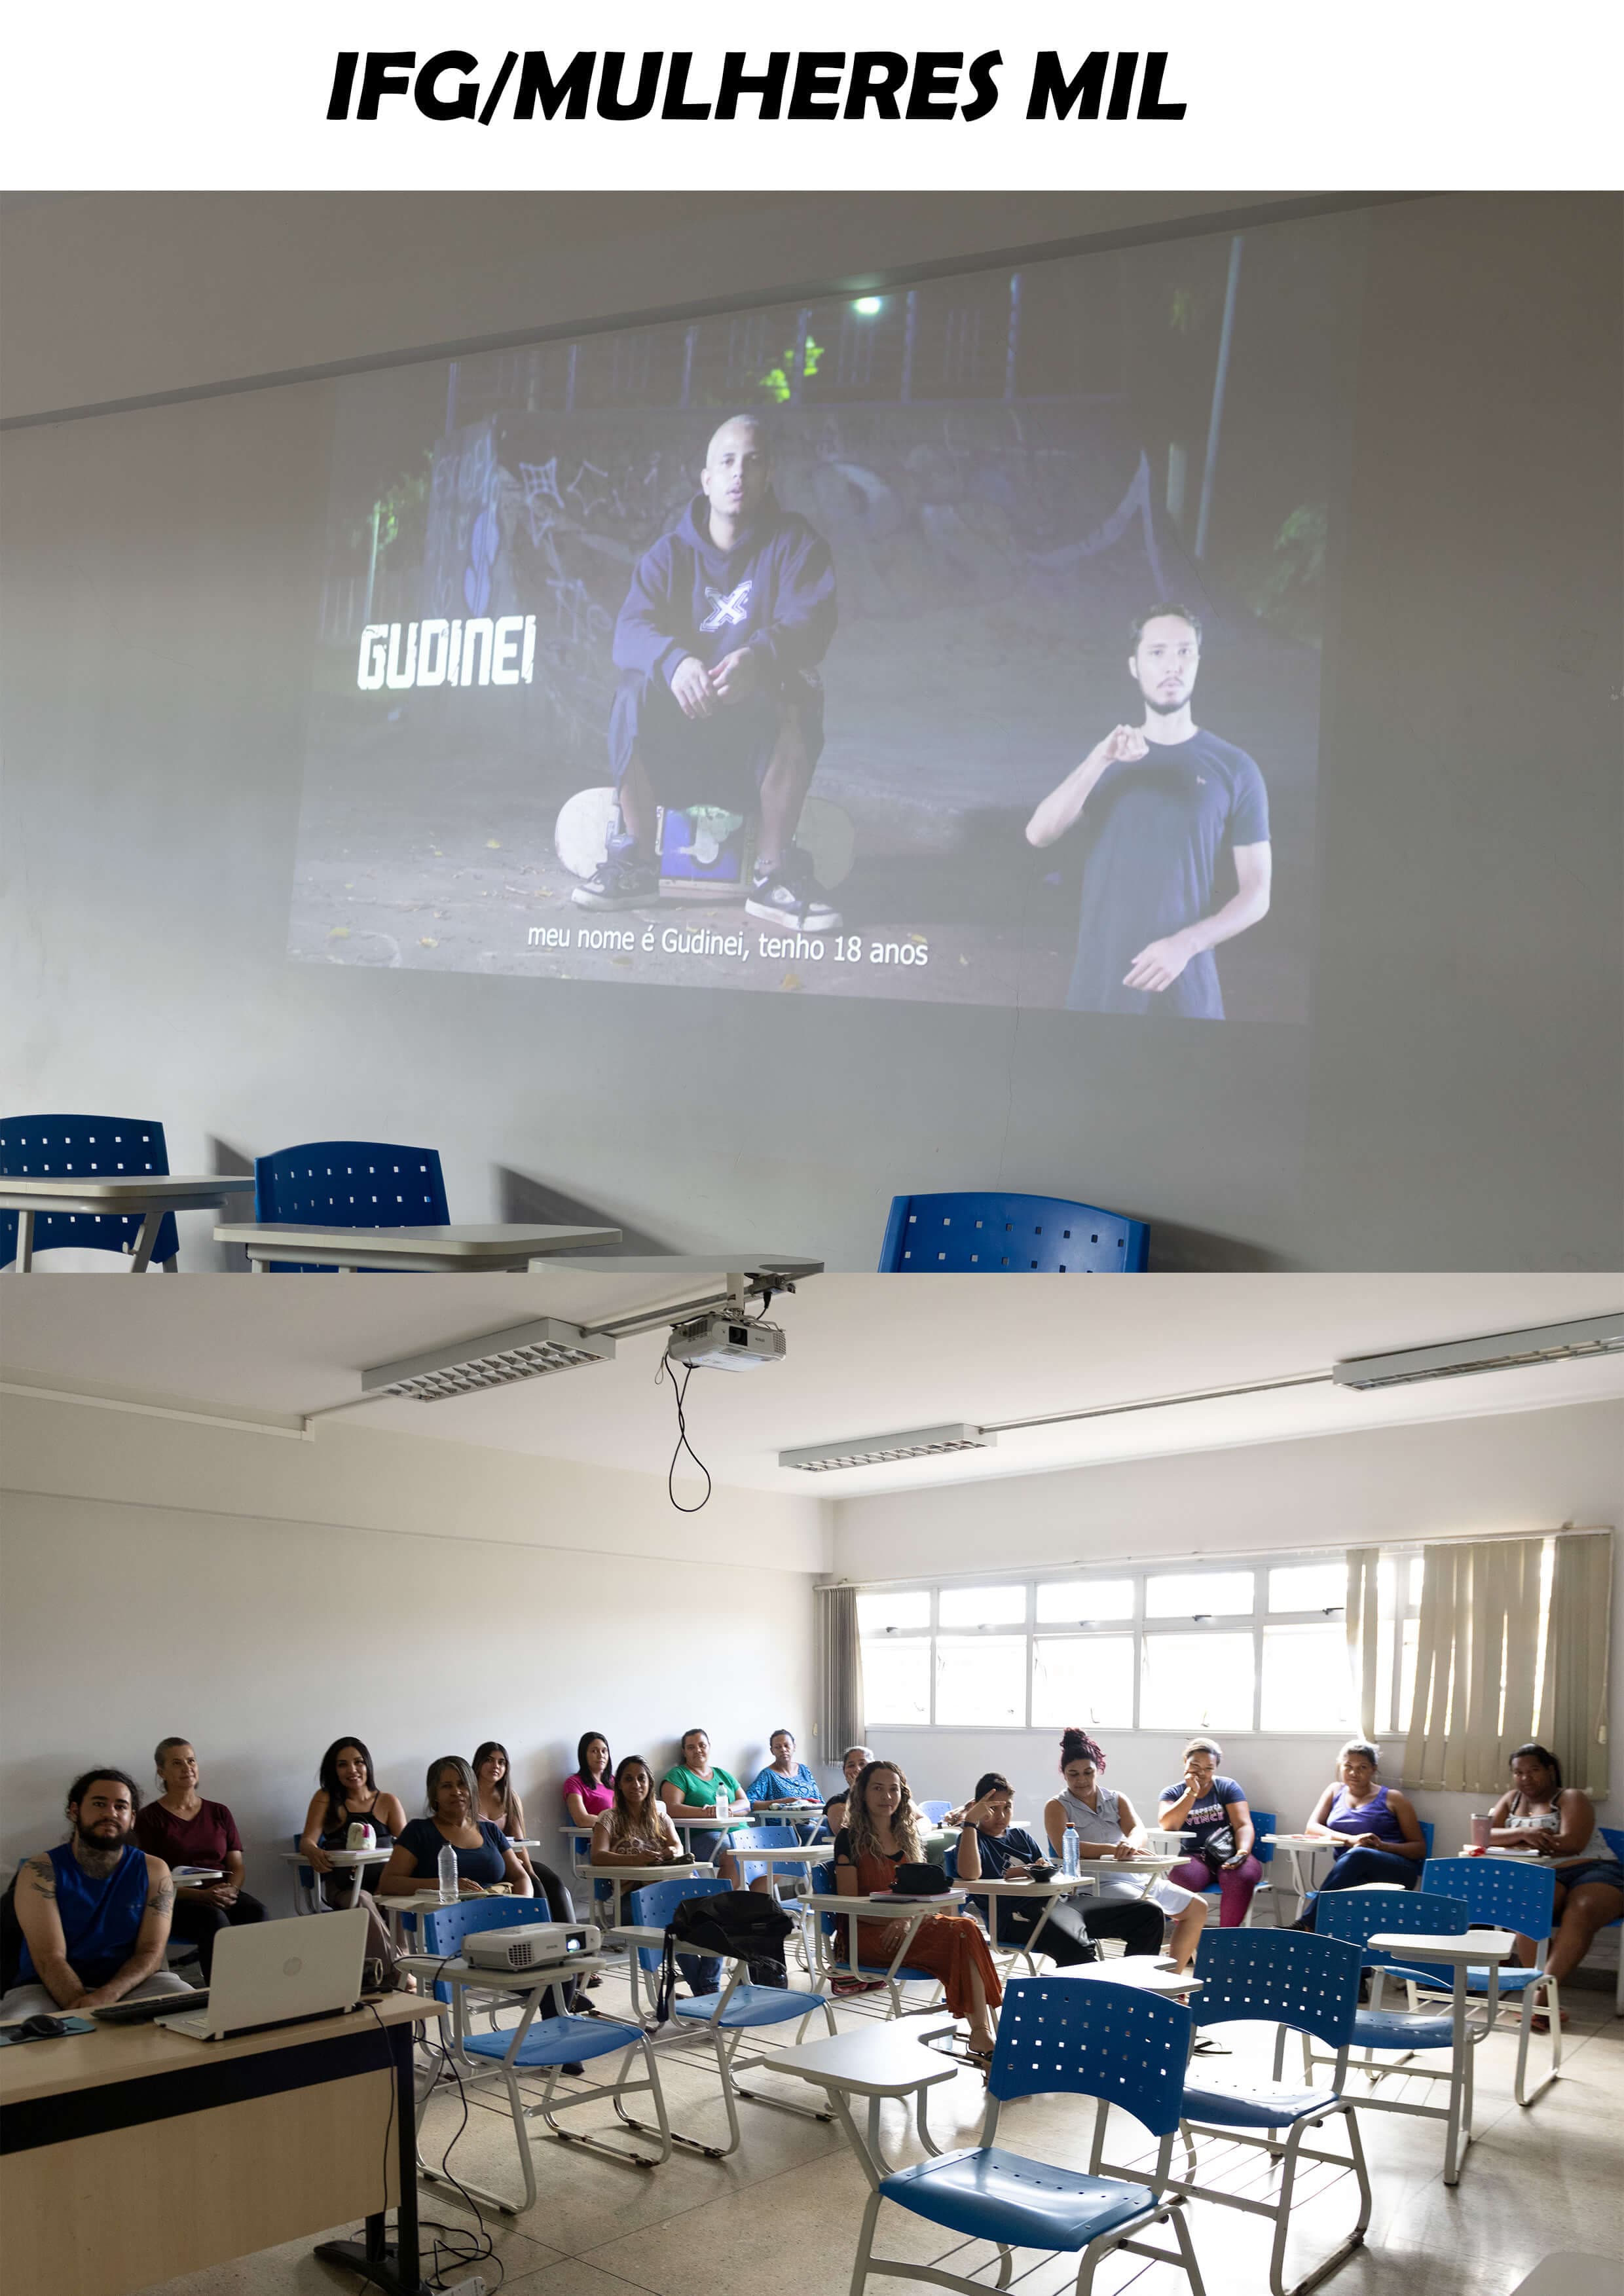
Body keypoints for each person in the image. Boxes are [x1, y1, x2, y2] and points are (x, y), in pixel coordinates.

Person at [576, 413, 842, 932]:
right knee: (632, 690)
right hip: (679, 748)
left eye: (753, 461)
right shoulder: (669, 554)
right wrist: (675, 663)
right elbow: (628, 630)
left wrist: (760, 660)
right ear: (707, 479)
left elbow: (812, 624)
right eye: (727, 461)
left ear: (769, 475)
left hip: (752, 755)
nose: (739, 472)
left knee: (802, 686)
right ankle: (635, 863)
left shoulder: (797, 545)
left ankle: (774, 875)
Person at [1025, 602, 1272, 1019]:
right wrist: (1099, 761)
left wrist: (1186, 944)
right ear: (1135, 666)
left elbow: (1257, 893)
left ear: (1198, 661)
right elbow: (1039, 834)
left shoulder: (1235, 767)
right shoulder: (1109, 756)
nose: (1171, 665)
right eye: (1156, 653)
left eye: (1183, 651)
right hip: (1101, 988)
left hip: (1186, 990)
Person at [834, 1759, 1003, 2058]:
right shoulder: (848, 1838)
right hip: (867, 1935)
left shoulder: (907, 1834)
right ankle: (984, 2035)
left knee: (965, 1928)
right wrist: (900, 1917)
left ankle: (982, 2036)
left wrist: (908, 1918)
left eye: (893, 1790)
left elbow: (920, 1894)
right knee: (964, 1932)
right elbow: (850, 1905)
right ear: (862, 1793)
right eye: (878, 1789)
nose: (887, 1797)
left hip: (908, 1928)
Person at [3, 1769, 193, 2018]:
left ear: (132, 1818)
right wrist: (86, 2010)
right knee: (17, 2038)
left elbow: (151, 1951)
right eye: (99, 1803)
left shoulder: (155, 1870)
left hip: (130, 1984)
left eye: (121, 1806)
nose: (110, 1813)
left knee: (194, 2012)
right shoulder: (40, 1871)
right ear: (74, 1811)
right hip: (45, 1988)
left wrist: (108, 1996)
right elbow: (50, 1958)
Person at [1043, 1728, 1206, 1970]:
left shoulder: (1116, 1798)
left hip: (1136, 1876)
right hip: (1099, 1884)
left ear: (1098, 1769)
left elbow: (1138, 1830)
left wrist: (1130, 1843)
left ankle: (1172, 1977)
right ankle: (1136, 1984)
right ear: (1063, 1775)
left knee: (1197, 1908)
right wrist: (1112, 1849)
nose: (1081, 1780)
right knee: (1151, 1909)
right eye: (1073, 1774)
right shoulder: (1057, 1806)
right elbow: (1065, 1848)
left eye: (1088, 1772)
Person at [1486, 1741, 1624, 2006]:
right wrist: (1524, 1833)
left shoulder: (1570, 1797)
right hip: (1543, 1876)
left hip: (1594, 1869)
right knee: (1525, 1908)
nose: (1525, 1778)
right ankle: (1541, 1995)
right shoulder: (1510, 1799)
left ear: (1550, 1770)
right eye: (1518, 1773)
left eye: (1534, 1770)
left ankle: (1540, 1998)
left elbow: (1573, 1843)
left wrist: (1510, 1840)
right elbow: (1484, 1836)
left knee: (1582, 1908)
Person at [134, 1738, 267, 1981]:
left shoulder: (219, 1812)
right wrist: (203, 1896)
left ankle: (262, 1984)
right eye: (177, 1763)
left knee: (258, 1912)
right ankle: (222, 1993)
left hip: (221, 1894)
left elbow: (236, 1865)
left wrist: (231, 1890)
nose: (187, 1768)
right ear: (161, 1771)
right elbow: (151, 1881)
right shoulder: (149, 1818)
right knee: (213, 1918)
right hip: (176, 1900)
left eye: (191, 1760)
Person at [591, 1755, 715, 1997]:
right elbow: (598, 1855)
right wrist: (633, 1860)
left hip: (670, 1889)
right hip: (633, 1899)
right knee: (677, 1923)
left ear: (649, 1784)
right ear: (619, 1785)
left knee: (714, 1915)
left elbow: (678, 1847)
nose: (635, 1784)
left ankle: (707, 1987)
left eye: (641, 1779)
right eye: (628, 1779)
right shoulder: (609, 1818)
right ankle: (707, 1992)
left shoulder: (660, 1817)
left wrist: (672, 1850)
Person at [952, 1772, 1099, 1968]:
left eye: (1007, 1807)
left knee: (1146, 1914)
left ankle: (1138, 1991)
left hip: (1054, 1905)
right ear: (980, 1808)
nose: (1001, 1816)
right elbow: (970, 1875)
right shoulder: (972, 1839)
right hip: (1014, 1918)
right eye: (994, 1809)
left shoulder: (1020, 1835)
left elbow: (1048, 1867)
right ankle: (1086, 1995)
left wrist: (1039, 1868)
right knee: (1075, 1943)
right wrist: (970, 1822)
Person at [1295, 1739, 1426, 1925]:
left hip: (1397, 1870)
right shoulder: (1335, 1791)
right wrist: (1351, 1840)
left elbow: (1419, 1848)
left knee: (1360, 1854)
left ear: (1374, 1769)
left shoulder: (1393, 1798)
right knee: (1357, 1855)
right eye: (1348, 1766)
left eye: (1362, 1767)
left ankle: (1307, 1923)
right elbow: (1312, 1827)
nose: (1353, 1773)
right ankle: (1320, 1933)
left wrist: (1382, 1846)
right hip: (1352, 1872)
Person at [377, 1757, 534, 1899]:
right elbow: (389, 1883)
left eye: (462, 1784)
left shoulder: (490, 1831)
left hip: (500, 1918)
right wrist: (446, 1885)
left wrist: (523, 1906)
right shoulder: (418, 1831)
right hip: (442, 1921)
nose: (456, 1792)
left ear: (472, 1789)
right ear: (435, 1794)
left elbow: (520, 1877)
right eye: (446, 1786)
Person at [1158, 1737, 1263, 1927]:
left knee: (1242, 1877)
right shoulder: (1172, 1793)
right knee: (1179, 1881)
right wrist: (1191, 1792)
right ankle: (1189, 1944)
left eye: (1209, 1768)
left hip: (1231, 1854)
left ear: (1216, 1769)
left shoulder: (1227, 1787)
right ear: (1185, 1762)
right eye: (1196, 1765)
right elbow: (1169, 1825)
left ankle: (1225, 1941)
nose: (1202, 1772)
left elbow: (1243, 1825)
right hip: (1195, 1856)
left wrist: (1242, 1853)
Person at [472, 1741, 578, 1922]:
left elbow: (520, 1842)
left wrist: (528, 1869)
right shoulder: (467, 1797)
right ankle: (541, 1935)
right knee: (535, 1887)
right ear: (479, 1763)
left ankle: (570, 1938)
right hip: (484, 1864)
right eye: (489, 1760)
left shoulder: (510, 1797)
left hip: (510, 1860)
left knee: (552, 1882)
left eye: (502, 1762)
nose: (496, 1766)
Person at [297, 1737, 407, 1906]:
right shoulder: (325, 1798)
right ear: (334, 1770)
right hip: (344, 1888)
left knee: (397, 1902)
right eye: (343, 1765)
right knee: (362, 1899)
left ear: (367, 1765)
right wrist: (313, 1851)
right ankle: (386, 1935)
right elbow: (307, 1841)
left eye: (359, 1762)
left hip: (385, 1884)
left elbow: (409, 1848)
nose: (352, 1770)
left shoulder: (388, 1801)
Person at [660, 1727, 758, 1889]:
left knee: (775, 1854)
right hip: (703, 1836)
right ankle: (720, 1909)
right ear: (684, 1752)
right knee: (733, 1854)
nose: (697, 1750)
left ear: (709, 1747)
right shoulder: (679, 1775)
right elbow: (671, 1808)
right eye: (691, 1747)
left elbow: (745, 1803)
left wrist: (728, 1810)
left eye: (702, 1745)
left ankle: (757, 1905)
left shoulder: (723, 1774)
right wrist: (706, 1813)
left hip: (740, 1832)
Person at [747, 1729, 822, 1808]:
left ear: (794, 1747)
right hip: (785, 1819)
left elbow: (819, 1799)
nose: (783, 1750)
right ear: (772, 1751)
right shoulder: (767, 1775)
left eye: (786, 1746)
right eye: (778, 1747)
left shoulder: (804, 1770)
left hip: (816, 1818)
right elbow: (749, 1803)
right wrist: (783, 1802)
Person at [563, 1733, 616, 1829]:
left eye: (604, 1751)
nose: (601, 1756)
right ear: (584, 1755)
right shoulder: (574, 1783)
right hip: (598, 1839)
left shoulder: (614, 1781)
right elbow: (582, 1819)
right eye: (595, 1751)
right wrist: (617, 1824)